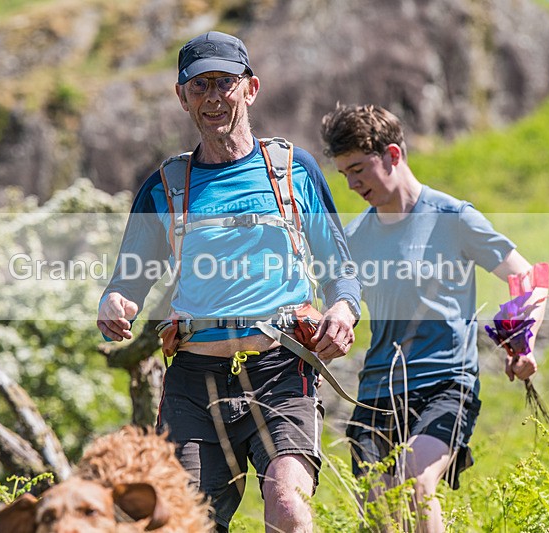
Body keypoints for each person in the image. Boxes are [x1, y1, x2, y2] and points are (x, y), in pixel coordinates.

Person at [97, 31, 361, 532]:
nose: (213, 97)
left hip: (283, 371)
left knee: (287, 507)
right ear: (182, 98)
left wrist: (343, 310)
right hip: (194, 383)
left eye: (224, 82)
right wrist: (114, 301)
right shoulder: (166, 186)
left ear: (251, 88)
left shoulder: (292, 170)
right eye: (199, 87)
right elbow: (128, 279)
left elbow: (342, 270)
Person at [319, 104, 548, 532]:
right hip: (378, 390)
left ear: (391, 154)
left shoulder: (453, 218)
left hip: (446, 383)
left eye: (358, 169)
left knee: (415, 484)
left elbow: (528, 278)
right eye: (343, 175)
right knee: (381, 510)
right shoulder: (353, 240)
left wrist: (523, 341)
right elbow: (333, 307)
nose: (351, 185)